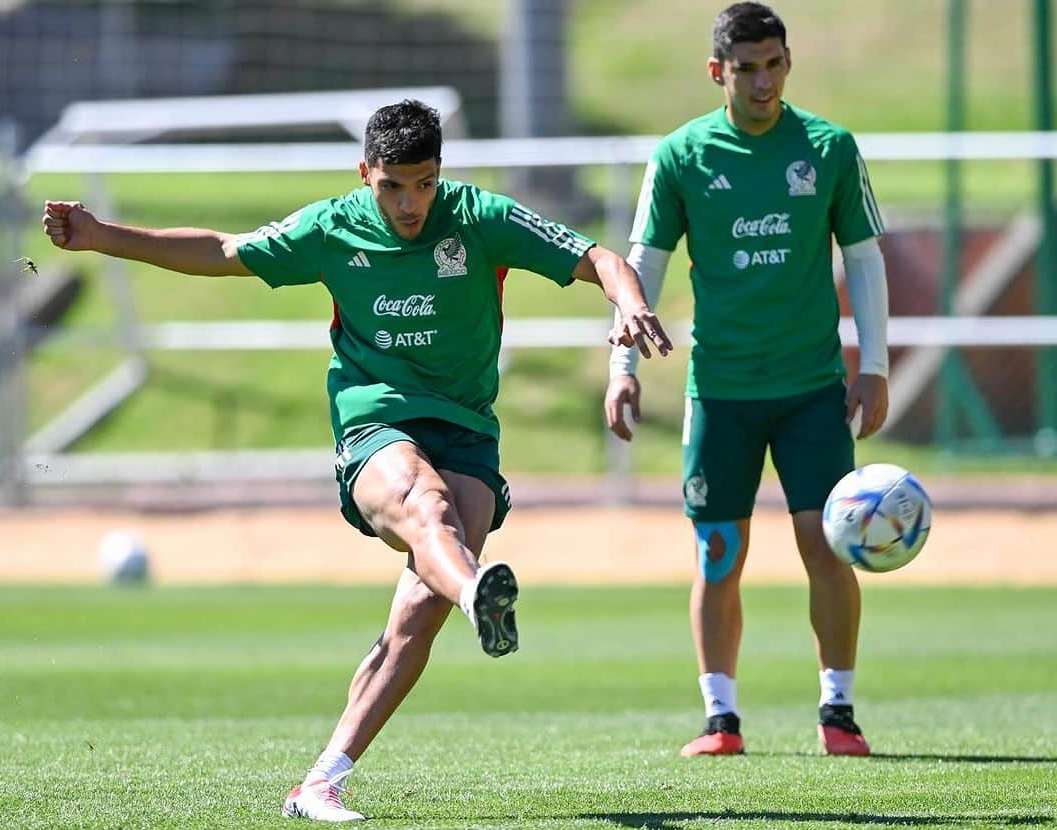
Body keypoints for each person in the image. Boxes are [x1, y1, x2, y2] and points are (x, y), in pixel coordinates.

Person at [43, 99, 673, 823]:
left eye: (425, 183)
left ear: (441, 174)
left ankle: (319, 782)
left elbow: (596, 258)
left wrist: (626, 305)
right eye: (393, 186)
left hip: (467, 430)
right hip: (374, 420)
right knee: (427, 509)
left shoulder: (480, 217)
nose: (411, 203)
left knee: (418, 610)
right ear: (365, 173)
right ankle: (478, 597)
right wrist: (100, 236)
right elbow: (223, 250)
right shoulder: (331, 226)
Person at [605, 2, 888, 758]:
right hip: (721, 394)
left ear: (788, 63)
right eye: (746, 69)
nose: (763, 83)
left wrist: (877, 366)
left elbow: (863, 258)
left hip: (810, 392)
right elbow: (644, 267)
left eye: (774, 65)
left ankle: (839, 712)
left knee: (827, 548)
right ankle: (720, 721)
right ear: (717, 73)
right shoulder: (681, 156)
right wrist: (622, 366)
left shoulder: (828, 147)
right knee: (717, 557)